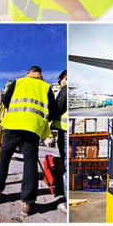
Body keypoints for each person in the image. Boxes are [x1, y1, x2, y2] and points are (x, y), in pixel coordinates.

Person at [0, 66, 58, 217]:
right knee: (30, 162)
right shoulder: (46, 87)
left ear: (28, 73)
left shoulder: (18, 82)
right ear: (40, 74)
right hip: (33, 128)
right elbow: (52, 111)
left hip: (14, 125)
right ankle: (26, 203)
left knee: (4, 157)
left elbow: (5, 101)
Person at [50, 70, 68, 214]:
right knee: (66, 163)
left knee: (66, 165)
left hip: (65, 129)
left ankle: (67, 203)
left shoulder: (65, 89)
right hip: (66, 129)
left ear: (64, 78)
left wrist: (48, 116)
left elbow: (59, 106)